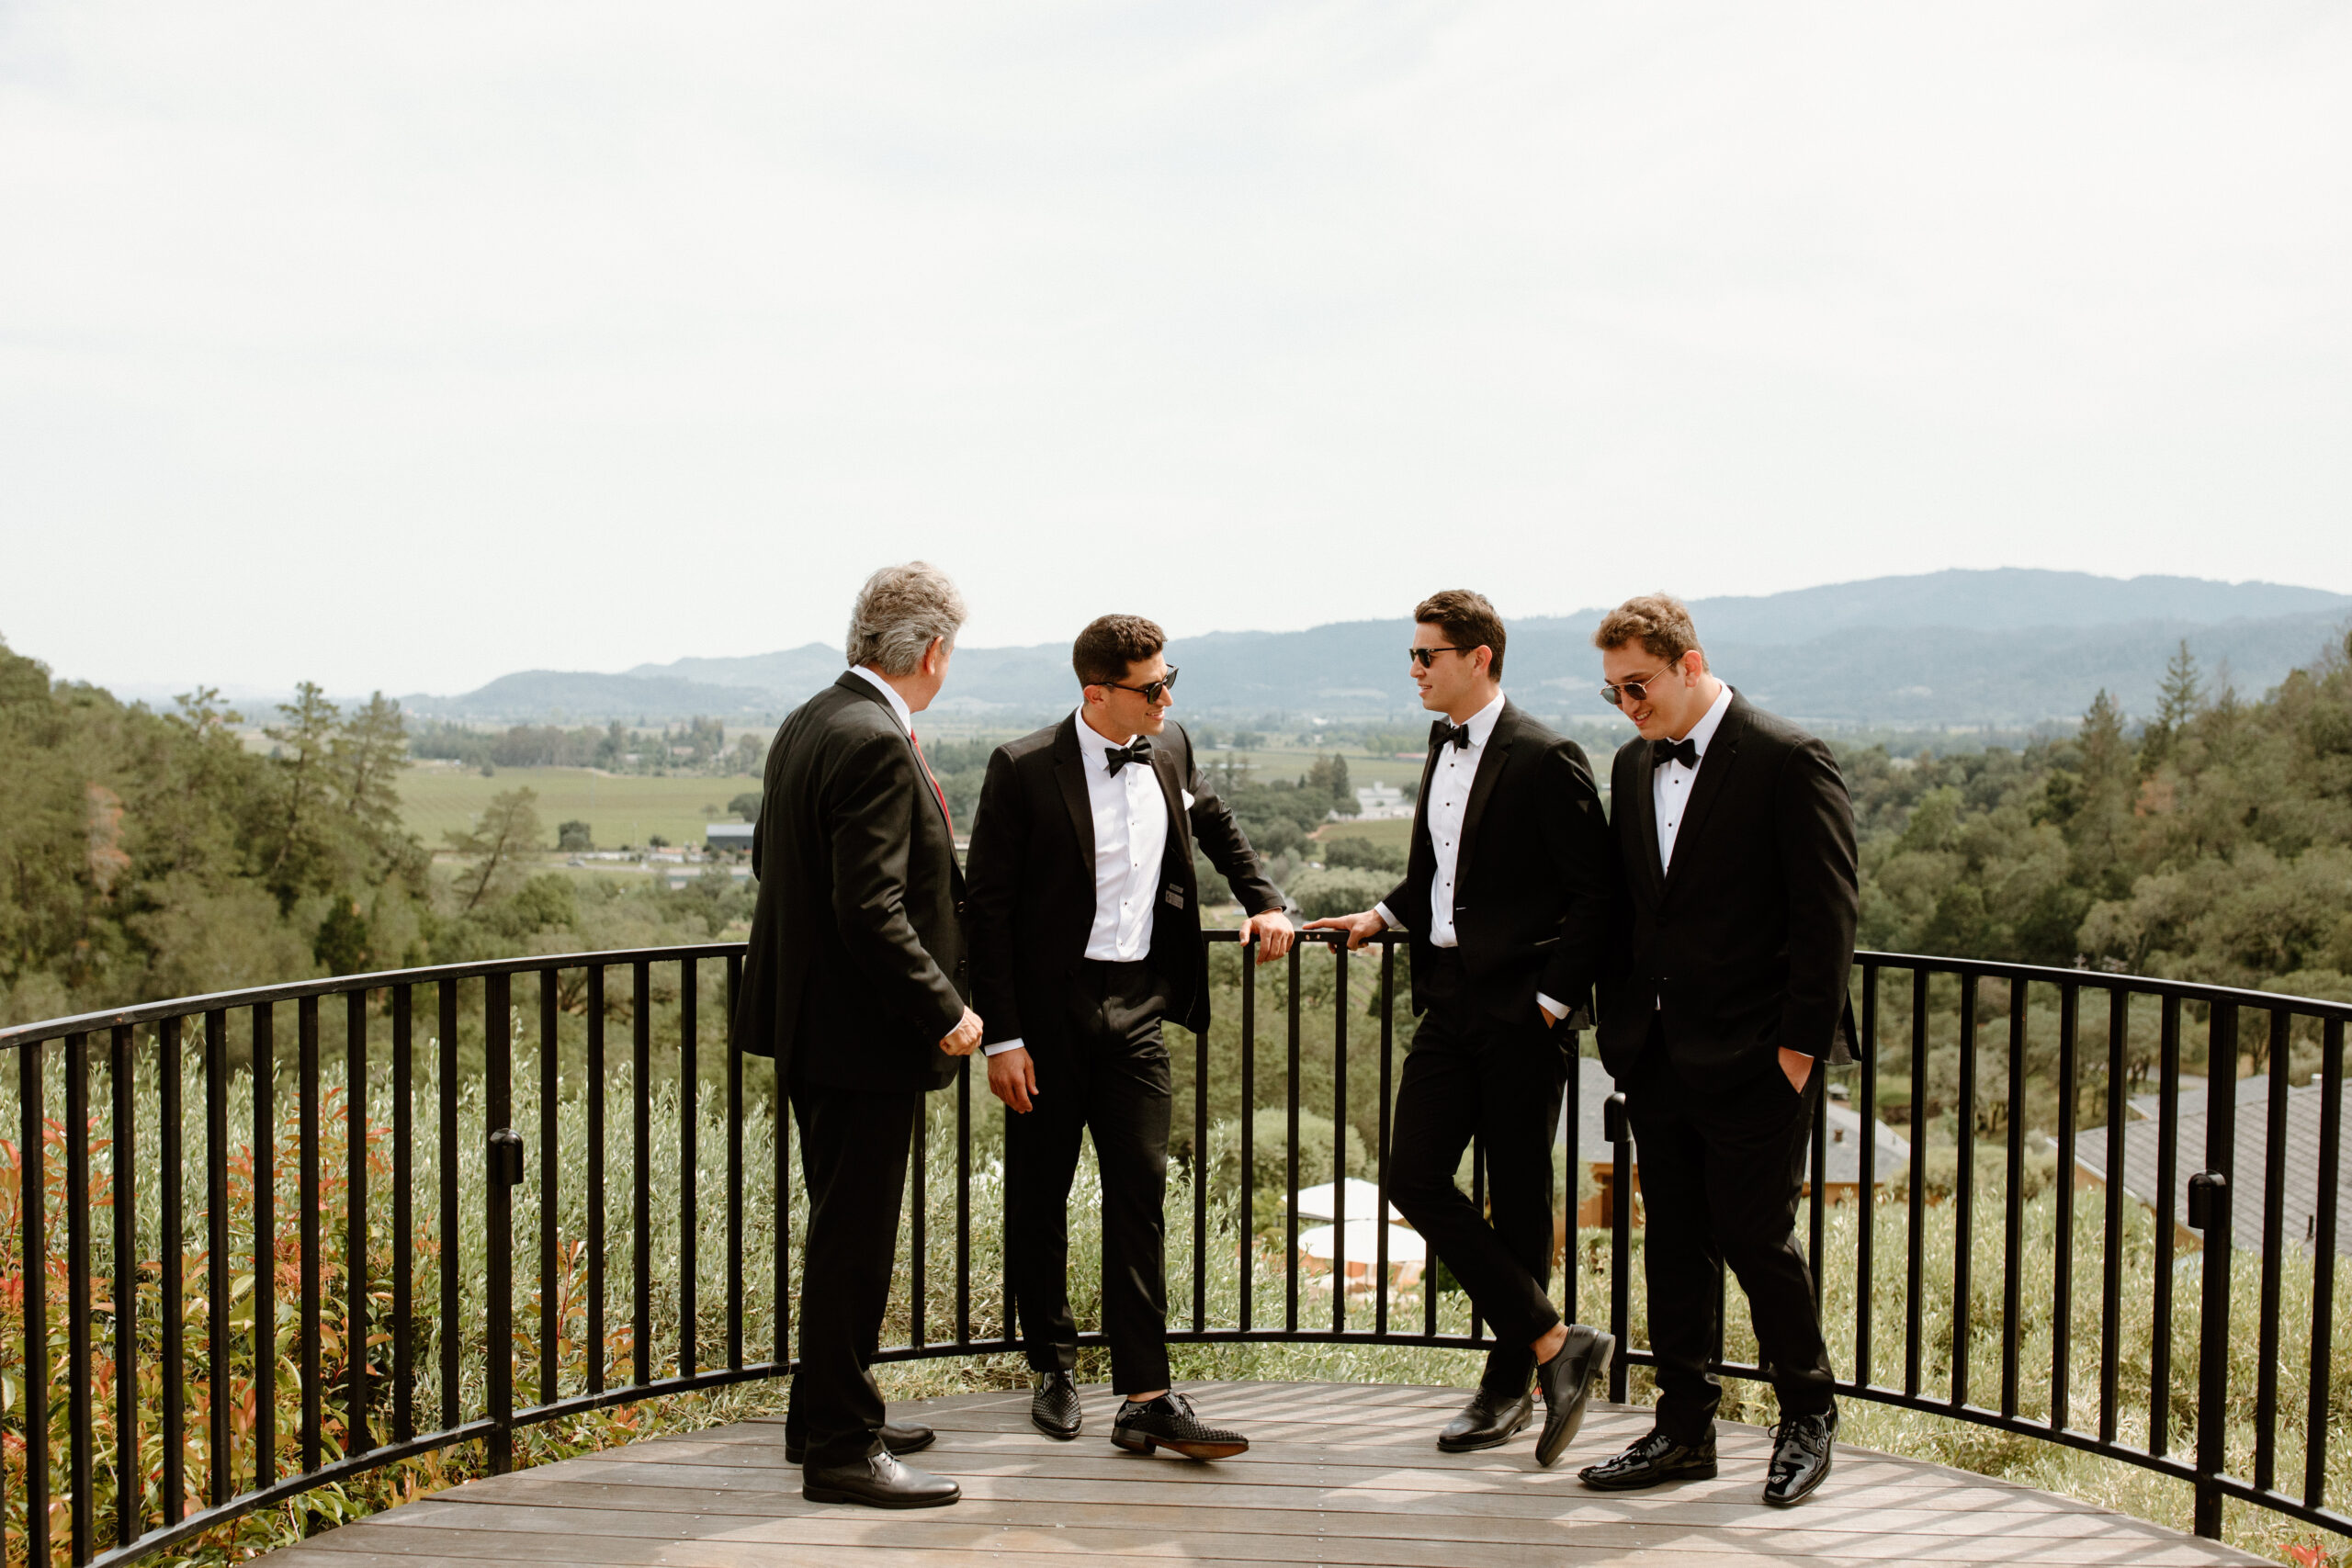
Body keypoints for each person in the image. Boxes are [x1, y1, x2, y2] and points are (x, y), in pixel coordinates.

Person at [965, 614, 1295, 1460]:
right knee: (1039, 1193)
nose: (1167, 696)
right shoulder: (1023, 767)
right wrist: (1002, 1037)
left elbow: (1215, 823)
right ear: (1096, 694)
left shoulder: (1170, 743)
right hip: (1046, 1016)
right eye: (1151, 686)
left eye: (1168, 679)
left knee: (1141, 1190)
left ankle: (1146, 1391)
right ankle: (1052, 1364)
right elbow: (988, 911)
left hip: (1139, 1004)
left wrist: (1265, 900)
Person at [1307, 590, 1619, 1469]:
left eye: (1426, 655)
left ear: (1479, 657)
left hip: (1524, 1010)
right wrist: (1378, 913)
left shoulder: (1548, 756)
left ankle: (1505, 1384)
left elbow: (1597, 897)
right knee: (1414, 1173)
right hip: (1448, 998)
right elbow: (1443, 880)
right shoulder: (1439, 752)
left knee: (1519, 1196)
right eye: (1412, 655)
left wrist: (1554, 1002)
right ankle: (1557, 1344)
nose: (1414, 669)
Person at [1577, 592, 1858, 1508]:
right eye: (1615, 689)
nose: (1627, 704)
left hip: (1756, 1057)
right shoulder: (1627, 765)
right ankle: (1681, 1428)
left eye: (1639, 684)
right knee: (1675, 1245)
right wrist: (1620, 1030)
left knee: (1755, 1237)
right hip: (1657, 1055)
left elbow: (1827, 920)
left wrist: (1797, 1054)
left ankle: (1807, 1416)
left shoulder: (1786, 759)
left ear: (1689, 665)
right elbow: (1626, 912)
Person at [730, 562, 982, 1510]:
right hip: (863, 1036)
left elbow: (768, 859)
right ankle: (841, 1447)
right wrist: (946, 1010)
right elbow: (872, 906)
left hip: (810, 1024)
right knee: (855, 1242)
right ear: (931, 652)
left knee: (841, 1231)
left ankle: (825, 1411)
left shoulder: (809, 719)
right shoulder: (875, 739)